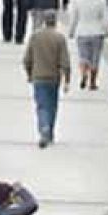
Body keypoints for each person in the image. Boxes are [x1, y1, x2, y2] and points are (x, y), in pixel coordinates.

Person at [24, 9, 72, 147]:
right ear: (55, 21)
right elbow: (65, 61)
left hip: (38, 76)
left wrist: (29, 73)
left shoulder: (35, 37)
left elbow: (27, 58)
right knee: (52, 105)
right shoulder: (59, 38)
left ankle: (43, 127)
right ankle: (49, 130)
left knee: (41, 105)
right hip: (53, 77)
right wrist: (67, 79)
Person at [65, 0, 108, 90]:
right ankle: (92, 81)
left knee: (83, 56)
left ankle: (83, 74)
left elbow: (74, 18)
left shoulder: (78, 1)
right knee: (95, 58)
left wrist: (71, 31)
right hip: (97, 32)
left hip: (82, 32)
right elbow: (106, 18)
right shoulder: (101, 1)